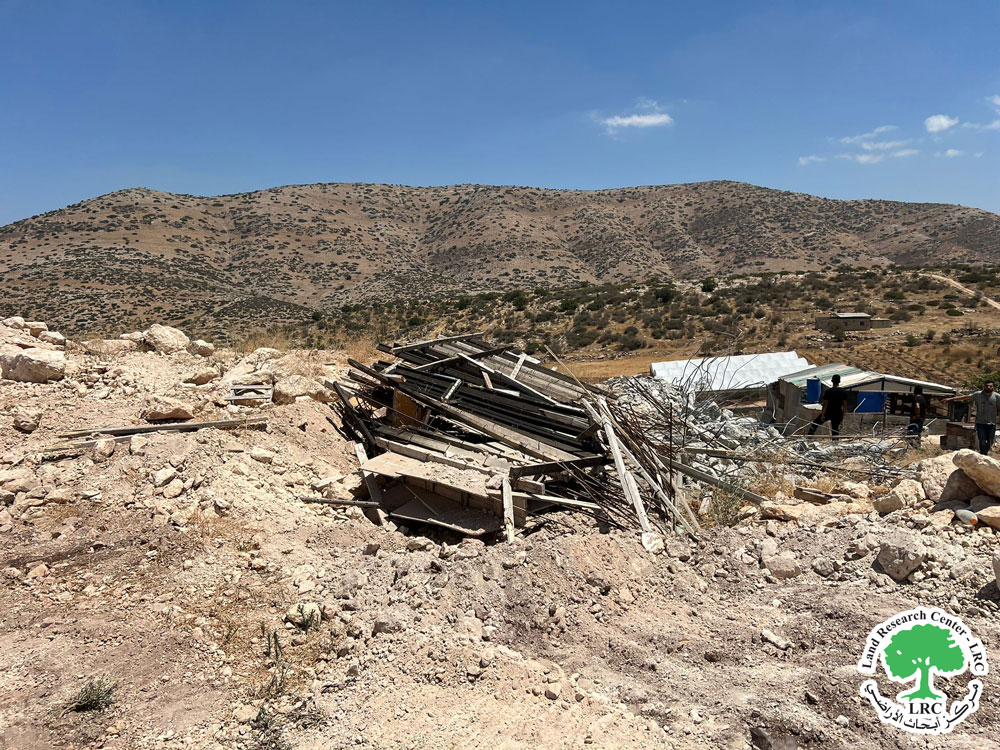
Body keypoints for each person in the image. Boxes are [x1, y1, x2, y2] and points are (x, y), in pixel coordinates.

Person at [945, 380, 998, 455]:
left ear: (993, 387)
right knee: (982, 441)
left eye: (990, 386)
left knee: (990, 441)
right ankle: (983, 455)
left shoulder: (997, 396)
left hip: (992, 423)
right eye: (987, 386)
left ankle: (984, 453)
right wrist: (951, 399)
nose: (988, 387)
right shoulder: (978, 394)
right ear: (984, 386)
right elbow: (966, 397)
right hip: (980, 423)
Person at [808, 374, 848, 439]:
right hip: (838, 413)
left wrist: (823, 415)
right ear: (839, 382)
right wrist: (843, 416)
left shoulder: (828, 391)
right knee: (835, 430)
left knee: (815, 424)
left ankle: (808, 438)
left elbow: (825, 404)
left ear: (832, 381)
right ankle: (835, 444)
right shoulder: (843, 392)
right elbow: (845, 405)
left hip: (828, 412)